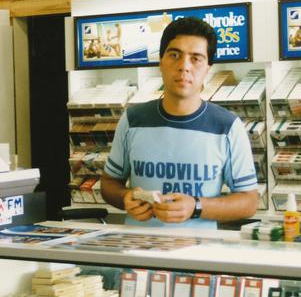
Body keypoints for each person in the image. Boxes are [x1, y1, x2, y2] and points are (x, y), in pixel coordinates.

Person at [101, 17, 258, 228]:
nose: (184, 67)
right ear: (161, 62)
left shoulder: (228, 126)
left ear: (208, 68)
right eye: (174, 55)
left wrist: (196, 206)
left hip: (198, 255)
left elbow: (249, 201)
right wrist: (125, 198)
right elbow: (109, 183)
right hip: (139, 251)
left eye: (196, 58)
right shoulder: (132, 119)